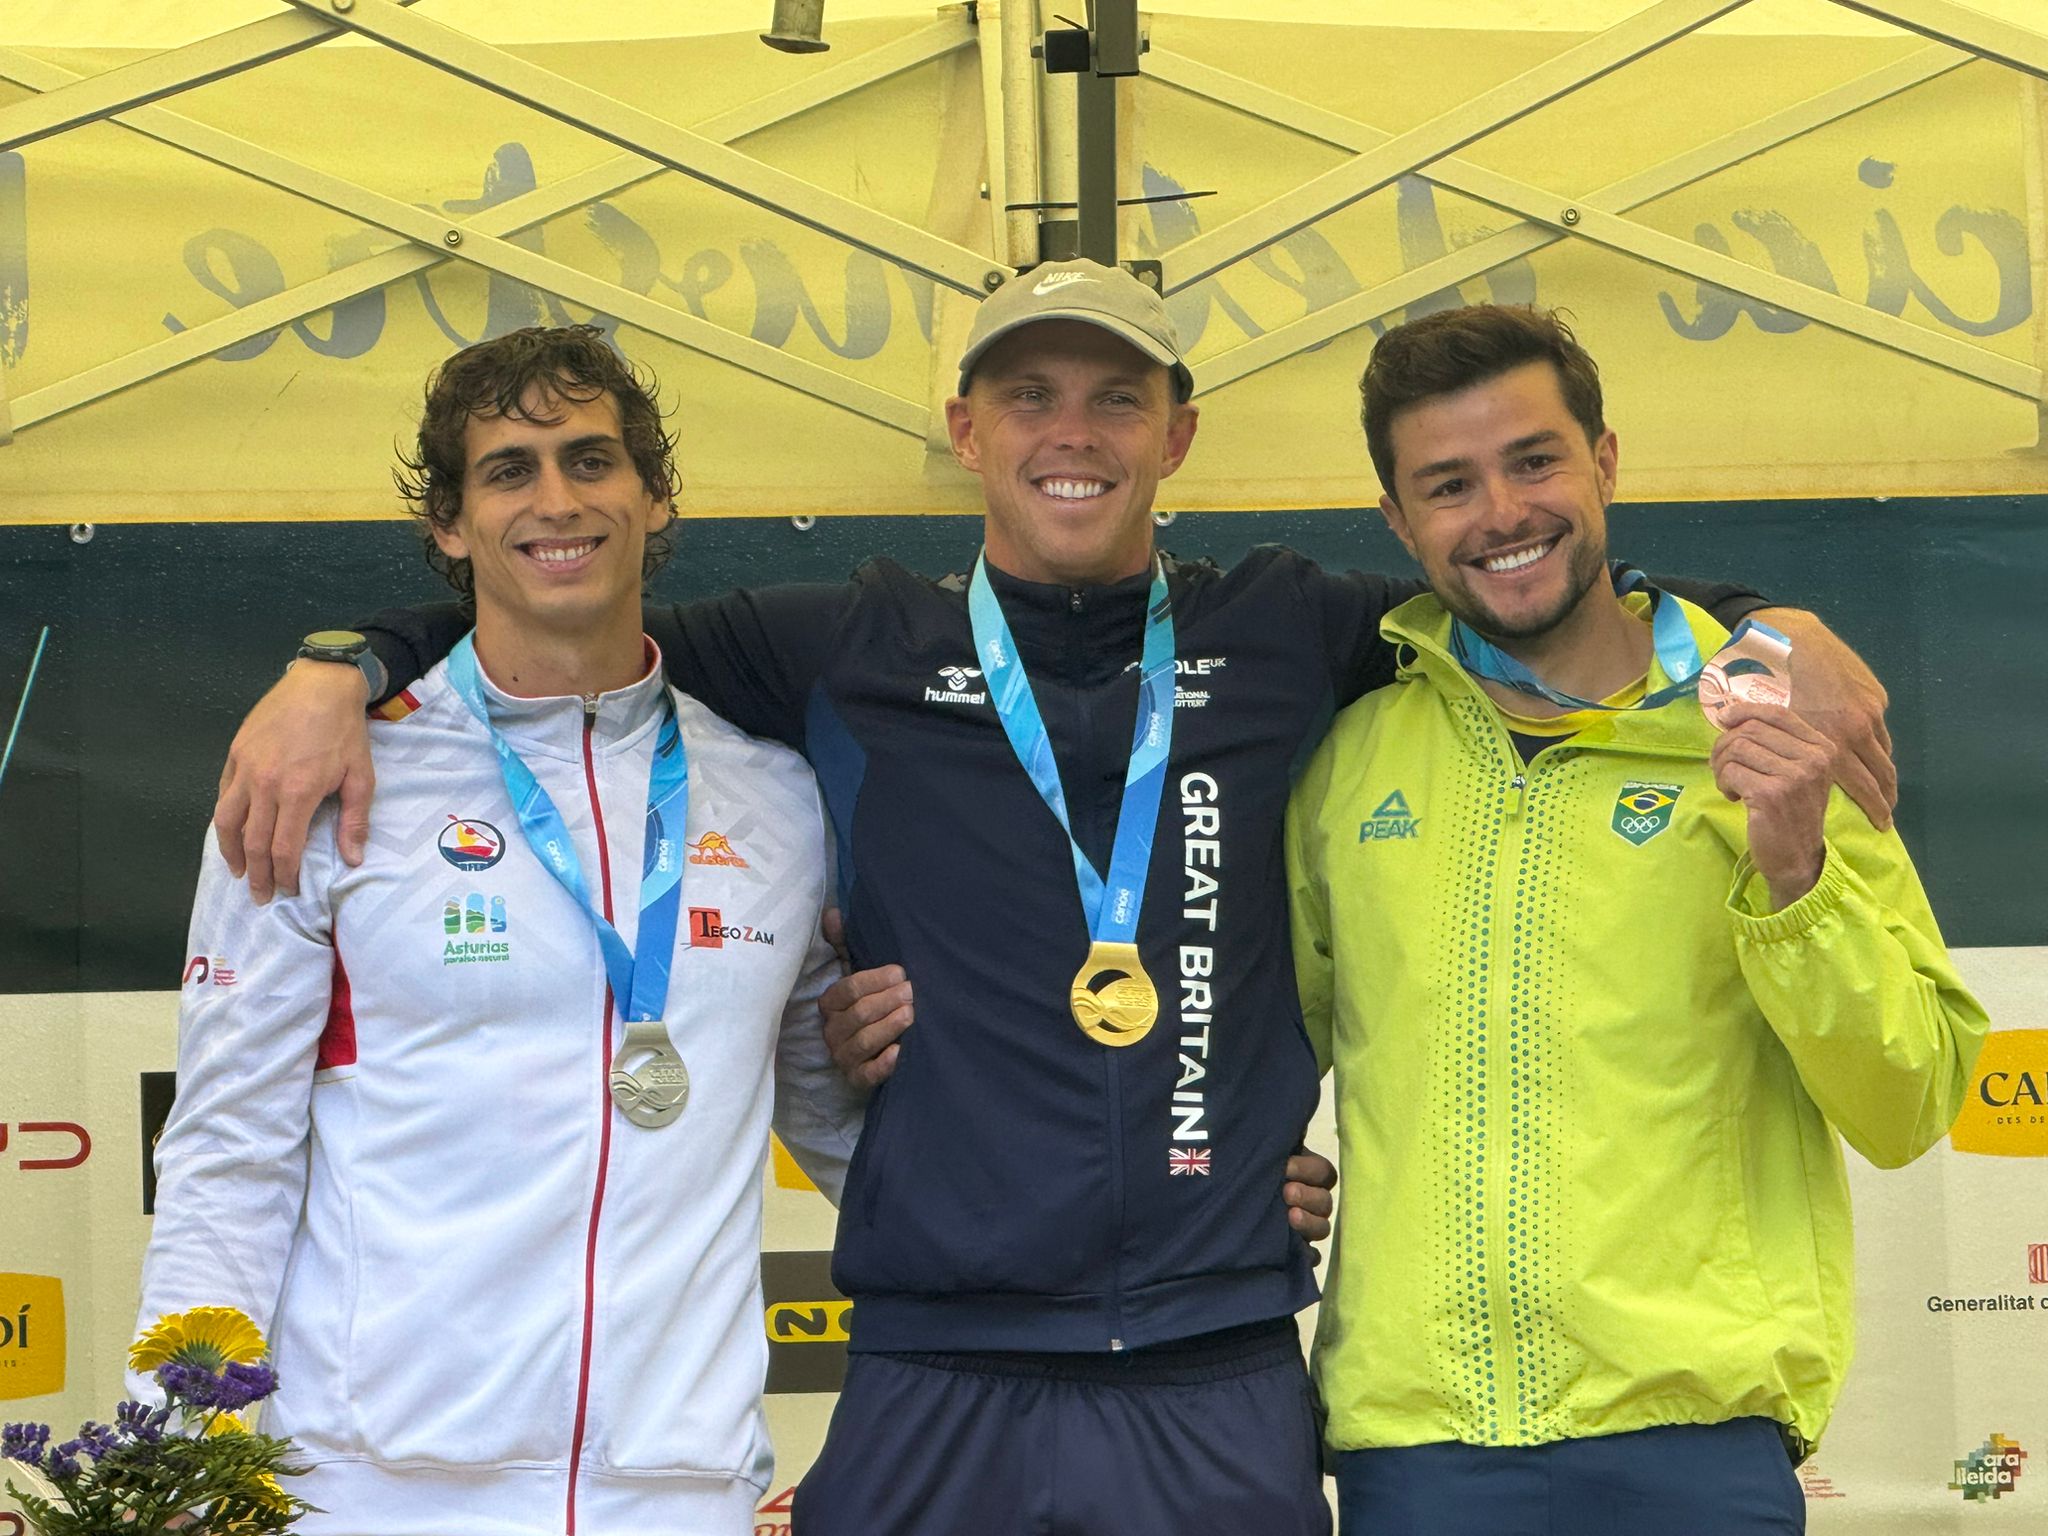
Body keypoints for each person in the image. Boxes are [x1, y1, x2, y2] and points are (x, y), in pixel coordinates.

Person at [208, 263, 1889, 1536]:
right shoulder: (836, 644)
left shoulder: (1298, 628)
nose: (1068, 435)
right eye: (1026, 400)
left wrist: (1765, 621)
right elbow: (565, 618)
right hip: (935, 1367)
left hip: (1216, 1367)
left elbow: (1531, 589)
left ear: (1176, 430)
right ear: (962, 432)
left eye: (1109, 397)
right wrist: (338, 661)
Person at [136, 327, 866, 1536]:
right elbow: (228, 1152)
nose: (556, 500)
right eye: (509, 470)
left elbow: (841, 1132)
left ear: (655, 497)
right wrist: (173, 1456)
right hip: (374, 1488)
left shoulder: (773, 796)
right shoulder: (317, 777)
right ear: (449, 524)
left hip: (678, 1490)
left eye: (591, 460)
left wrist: (1150, 1211)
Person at [1285, 304, 1989, 1535]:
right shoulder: (1349, 759)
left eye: (1533, 459)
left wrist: (1795, 877)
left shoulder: (1774, 726)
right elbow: (1239, 1050)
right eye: (1448, 485)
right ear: (1397, 524)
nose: (1500, 513)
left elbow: (1912, 1096)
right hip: (1418, 1450)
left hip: (1693, 1446)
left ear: (1604, 460)